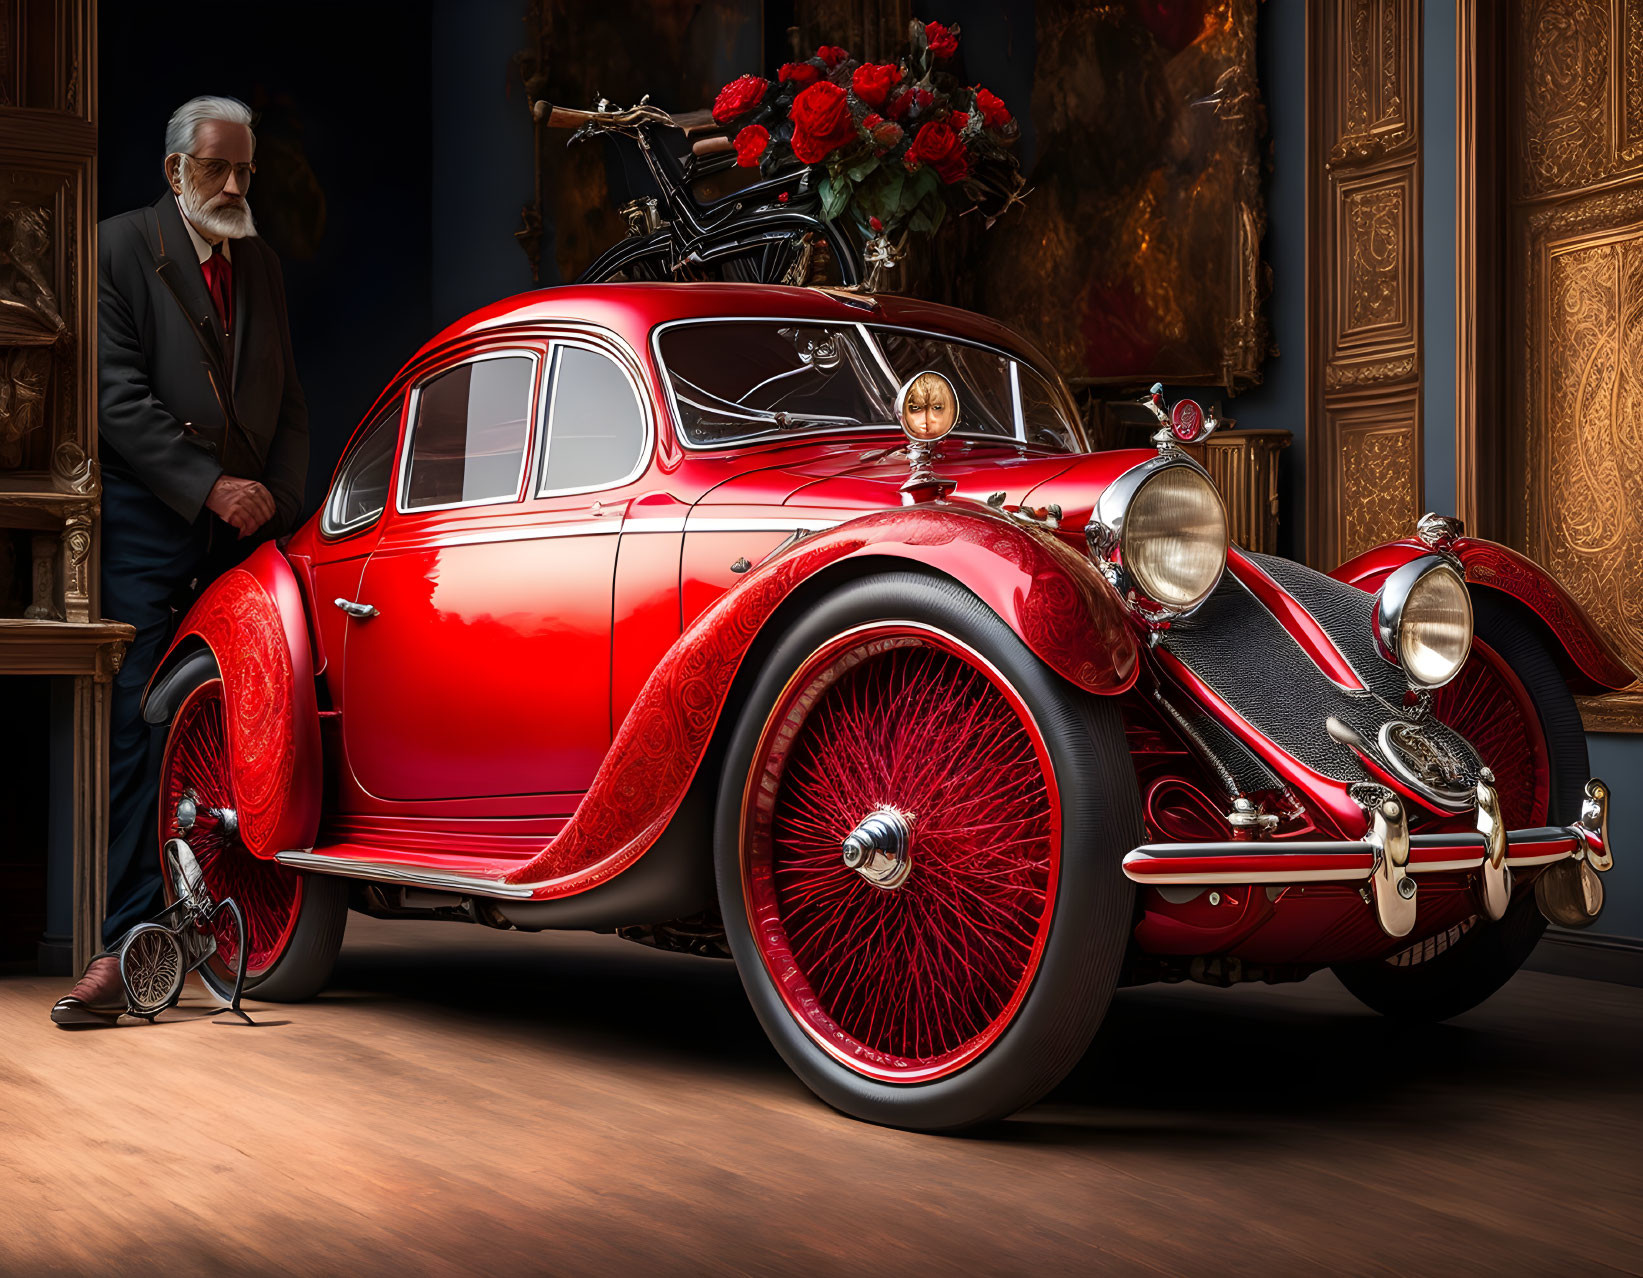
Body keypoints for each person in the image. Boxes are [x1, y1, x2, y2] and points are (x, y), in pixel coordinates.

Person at [52, 95, 308, 1024]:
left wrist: (275, 498)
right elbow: (114, 399)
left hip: (244, 533)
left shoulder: (263, 265)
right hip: (150, 525)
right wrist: (209, 486)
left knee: (245, 731)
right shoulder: (117, 247)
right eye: (216, 170)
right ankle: (127, 948)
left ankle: (225, 934)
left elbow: (289, 405)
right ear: (174, 171)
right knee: (140, 734)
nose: (235, 186)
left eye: (245, 170)